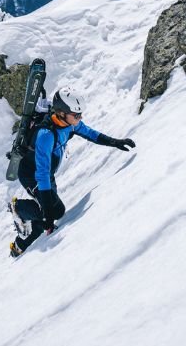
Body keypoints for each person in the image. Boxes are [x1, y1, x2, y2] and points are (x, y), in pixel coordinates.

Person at [8, 87, 135, 257]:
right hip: (32, 174)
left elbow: (90, 133)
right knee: (52, 213)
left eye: (80, 114)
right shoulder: (46, 135)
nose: (80, 118)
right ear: (61, 113)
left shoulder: (69, 124)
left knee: (50, 216)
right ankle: (18, 208)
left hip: (47, 173)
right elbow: (42, 174)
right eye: (76, 115)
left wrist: (115, 142)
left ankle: (19, 246)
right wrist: (48, 212)